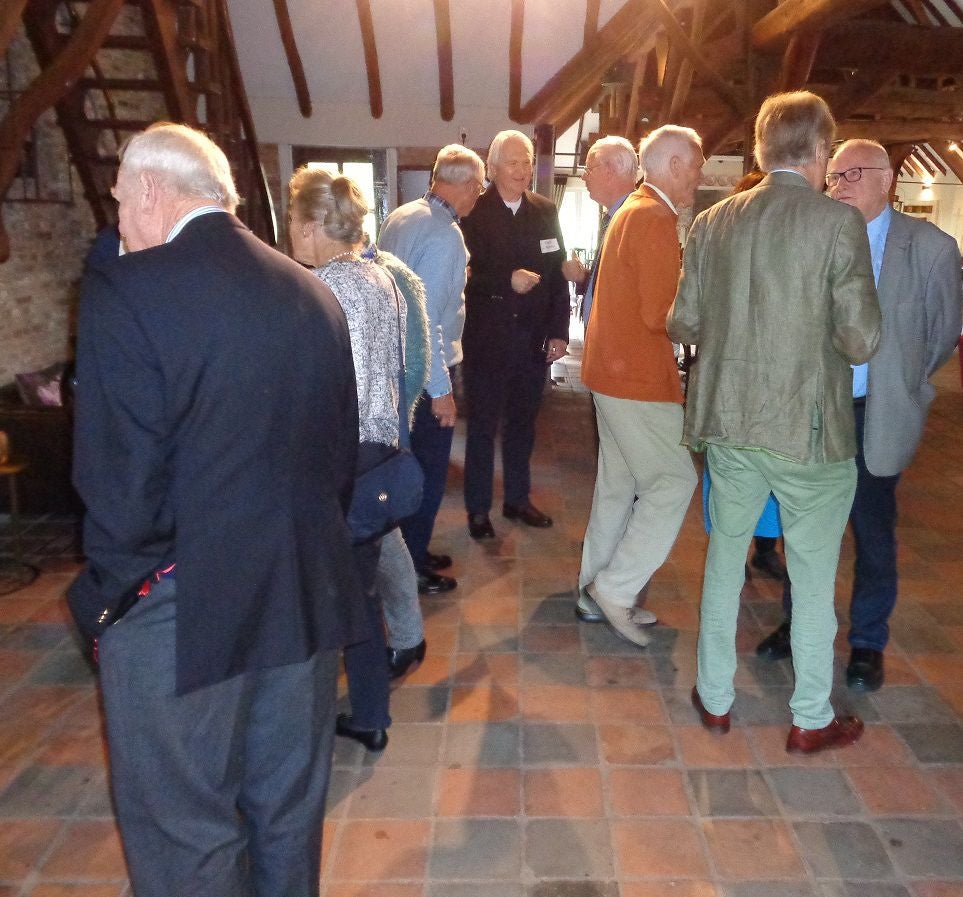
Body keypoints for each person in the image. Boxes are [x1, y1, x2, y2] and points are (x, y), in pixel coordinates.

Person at [67, 123, 364, 897]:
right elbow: (339, 458)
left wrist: (115, 604)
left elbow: (116, 484)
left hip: (183, 603)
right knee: (285, 817)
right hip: (302, 592)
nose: (118, 220)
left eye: (120, 201)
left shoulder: (127, 292)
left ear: (152, 190)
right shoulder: (314, 293)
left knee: (186, 834)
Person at [668, 91, 882, 755]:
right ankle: (809, 716)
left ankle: (714, 697)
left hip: (729, 423)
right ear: (819, 150)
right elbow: (861, 340)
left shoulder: (712, 221)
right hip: (807, 432)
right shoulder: (837, 224)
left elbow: (683, 322)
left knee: (724, 559)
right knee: (812, 578)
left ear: (761, 150)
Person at [755, 138, 963, 691]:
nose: (839, 185)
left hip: (879, 412)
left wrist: (901, 381)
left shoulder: (931, 249)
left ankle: (868, 642)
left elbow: (941, 336)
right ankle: (798, 623)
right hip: (820, 409)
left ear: (886, 180)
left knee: (872, 533)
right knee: (806, 527)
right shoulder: (819, 238)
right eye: (834, 176)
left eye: (853, 175)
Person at [288, 165, 404, 752]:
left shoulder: (320, 288)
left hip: (338, 458)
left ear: (312, 226)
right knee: (361, 590)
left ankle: (302, 725)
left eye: (291, 219)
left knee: (319, 594)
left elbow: (318, 387)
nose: (289, 230)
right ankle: (370, 712)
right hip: (379, 451)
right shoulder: (379, 277)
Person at [577, 126, 703, 647]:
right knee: (674, 482)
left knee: (618, 485)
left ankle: (593, 591)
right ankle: (615, 589)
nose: (698, 176)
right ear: (672, 165)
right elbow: (662, 315)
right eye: (695, 165)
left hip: (612, 372)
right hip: (636, 378)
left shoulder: (633, 209)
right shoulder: (653, 217)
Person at [379, 143, 486, 590]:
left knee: (405, 468)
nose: (478, 196)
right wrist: (441, 390)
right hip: (424, 372)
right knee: (426, 474)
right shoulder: (445, 234)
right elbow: (430, 321)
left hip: (395, 365)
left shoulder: (401, 216)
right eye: (479, 188)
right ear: (466, 185)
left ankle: (411, 553)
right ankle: (411, 569)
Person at [459, 130, 570, 539]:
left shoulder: (544, 210)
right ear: (492, 168)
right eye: (513, 162)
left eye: (527, 162)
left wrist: (559, 331)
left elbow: (557, 274)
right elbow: (463, 277)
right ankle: (477, 509)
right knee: (483, 428)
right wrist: (506, 281)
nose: (522, 170)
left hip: (531, 340)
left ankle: (518, 500)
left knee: (523, 425)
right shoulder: (472, 211)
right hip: (486, 341)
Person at [364, 241, 432, 679]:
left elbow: (418, 355)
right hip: (376, 430)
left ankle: (405, 637)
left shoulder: (382, 276)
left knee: (381, 533)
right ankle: (406, 636)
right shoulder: (384, 273)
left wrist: (395, 421)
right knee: (383, 533)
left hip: (371, 434)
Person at [561, 135, 640, 329]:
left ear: (609, 171)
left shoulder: (638, 219)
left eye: (589, 169)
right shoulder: (615, 216)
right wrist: (583, 277)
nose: (583, 176)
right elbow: (614, 282)